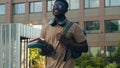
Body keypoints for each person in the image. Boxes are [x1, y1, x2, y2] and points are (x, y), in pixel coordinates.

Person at [39, 0, 88, 68]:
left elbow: (85, 47)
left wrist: (68, 43)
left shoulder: (74, 27)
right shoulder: (45, 29)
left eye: (60, 6)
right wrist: (44, 50)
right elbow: (40, 51)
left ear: (66, 10)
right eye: (54, 6)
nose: (56, 8)